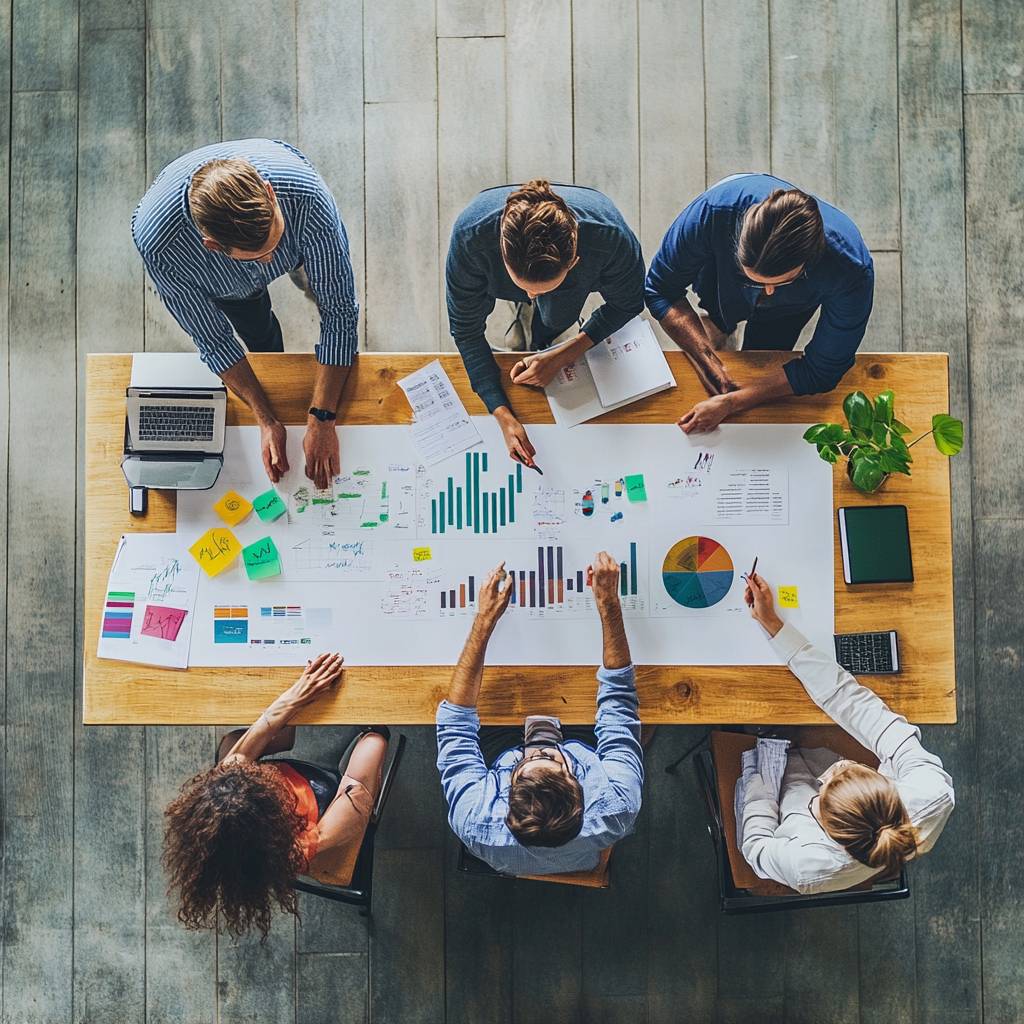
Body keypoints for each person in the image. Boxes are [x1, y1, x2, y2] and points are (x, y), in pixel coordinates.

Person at [132, 139, 360, 488]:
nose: (270, 261)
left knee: (320, 290)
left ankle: (294, 265)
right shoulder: (161, 245)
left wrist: (322, 418)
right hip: (228, 286)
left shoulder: (306, 194)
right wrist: (265, 418)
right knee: (258, 329)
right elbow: (214, 341)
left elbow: (340, 310)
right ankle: (270, 353)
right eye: (256, 256)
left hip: (301, 244)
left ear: (270, 193)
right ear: (213, 245)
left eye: (273, 242)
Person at [738, 573, 955, 894]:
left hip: (778, 805)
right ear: (887, 787)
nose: (838, 766)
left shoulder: (805, 868)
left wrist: (759, 783)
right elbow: (850, 700)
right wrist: (775, 628)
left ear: (823, 823)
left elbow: (755, 846)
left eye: (827, 787)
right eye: (855, 771)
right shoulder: (932, 791)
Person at [436, 553, 644, 875]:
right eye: (554, 761)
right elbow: (618, 703)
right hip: (581, 856)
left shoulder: (474, 818)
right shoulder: (616, 806)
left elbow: (455, 724)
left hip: (512, 852)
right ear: (581, 791)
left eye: (528, 763)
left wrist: (483, 621)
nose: (540, 748)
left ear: (506, 794)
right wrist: (608, 604)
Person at [162, 652, 390, 939]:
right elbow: (358, 784)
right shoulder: (300, 846)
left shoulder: (224, 800)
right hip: (324, 811)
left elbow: (242, 753)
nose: (238, 767)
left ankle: (289, 731)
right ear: (271, 814)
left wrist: (298, 693)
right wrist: (371, 724)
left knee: (233, 745)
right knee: (375, 739)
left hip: (278, 798)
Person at [645, 173, 874, 434]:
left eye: (781, 282)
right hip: (721, 283)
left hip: (788, 312)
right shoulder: (714, 211)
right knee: (716, 317)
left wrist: (733, 402)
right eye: (753, 278)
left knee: (762, 354)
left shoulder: (851, 269)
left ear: (809, 261)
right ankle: (720, 324)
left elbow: (822, 369)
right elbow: (659, 288)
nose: (768, 292)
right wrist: (706, 359)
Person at [446, 180, 645, 467]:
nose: (530, 295)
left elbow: (629, 302)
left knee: (555, 316)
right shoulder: (470, 239)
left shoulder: (611, 239)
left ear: (574, 262)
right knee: (539, 304)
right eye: (524, 288)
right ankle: (525, 309)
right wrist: (502, 415)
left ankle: (546, 324)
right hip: (496, 261)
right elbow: (465, 330)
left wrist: (564, 354)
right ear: (502, 255)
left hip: (582, 265)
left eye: (539, 290)